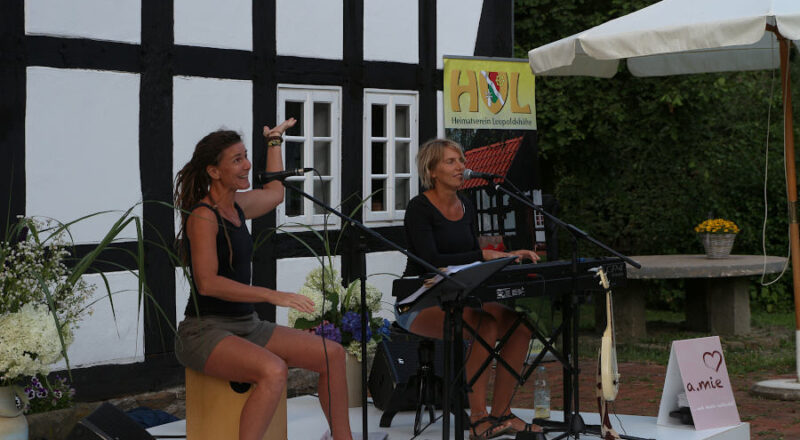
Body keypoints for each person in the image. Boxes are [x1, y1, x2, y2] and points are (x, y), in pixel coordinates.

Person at [173, 120, 353, 440]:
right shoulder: (203, 215)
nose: (246, 165)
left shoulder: (237, 206)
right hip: (205, 329)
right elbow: (208, 284)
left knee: (332, 354)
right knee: (274, 371)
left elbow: (274, 192)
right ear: (214, 171)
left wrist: (274, 142)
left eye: (245, 156)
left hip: (247, 325)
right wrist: (271, 295)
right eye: (237, 160)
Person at [399, 138, 543, 439]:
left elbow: (472, 255)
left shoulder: (466, 204)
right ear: (432, 170)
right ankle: (478, 420)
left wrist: (507, 256)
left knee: (520, 327)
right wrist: (483, 255)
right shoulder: (419, 208)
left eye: (461, 160)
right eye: (451, 162)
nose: (460, 167)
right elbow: (431, 261)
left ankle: (501, 413)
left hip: (462, 296)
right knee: (486, 326)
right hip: (420, 302)